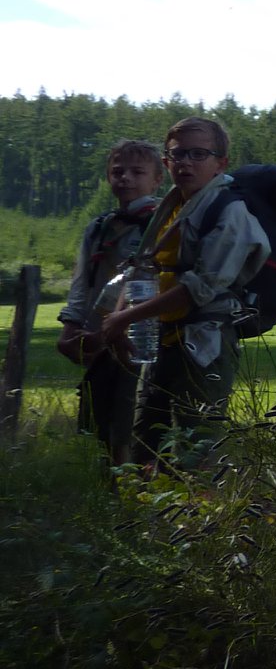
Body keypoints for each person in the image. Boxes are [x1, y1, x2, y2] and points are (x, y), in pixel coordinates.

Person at [100, 117, 269, 471]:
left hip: (204, 345)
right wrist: (119, 317)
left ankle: (199, 524)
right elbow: (144, 266)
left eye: (198, 154)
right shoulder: (174, 205)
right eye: (177, 155)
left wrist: (124, 319)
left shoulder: (229, 211)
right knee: (146, 443)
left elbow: (199, 289)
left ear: (220, 163)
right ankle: (147, 521)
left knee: (195, 451)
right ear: (166, 162)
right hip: (160, 341)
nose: (185, 163)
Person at [55, 138, 163, 466]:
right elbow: (82, 284)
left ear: (158, 179)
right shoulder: (99, 227)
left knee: (138, 419)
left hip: (143, 343)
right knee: (101, 421)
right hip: (99, 342)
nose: (125, 178)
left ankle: (142, 494)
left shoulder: (165, 224)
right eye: (117, 171)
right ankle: (111, 494)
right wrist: (71, 328)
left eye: (136, 172)